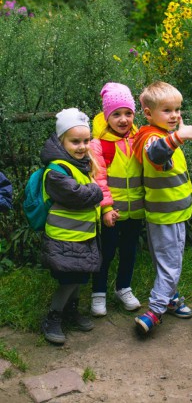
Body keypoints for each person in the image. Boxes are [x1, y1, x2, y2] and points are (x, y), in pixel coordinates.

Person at [132, 81, 192, 334]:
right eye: (167, 110)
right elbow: (156, 155)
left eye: (177, 109)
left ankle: (171, 298)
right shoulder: (151, 138)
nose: (175, 115)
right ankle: (155, 310)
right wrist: (178, 137)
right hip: (167, 216)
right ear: (148, 113)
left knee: (164, 261)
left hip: (170, 213)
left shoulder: (159, 136)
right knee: (171, 263)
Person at [40, 108, 103, 345]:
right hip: (64, 236)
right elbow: (78, 195)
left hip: (81, 234)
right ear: (61, 140)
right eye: (75, 141)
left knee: (78, 275)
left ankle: (71, 310)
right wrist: (97, 191)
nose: (82, 146)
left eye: (86, 141)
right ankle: (53, 317)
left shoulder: (80, 164)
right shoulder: (56, 170)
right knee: (69, 279)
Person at [90, 83, 145, 317]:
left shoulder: (140, 137)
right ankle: (98, 292)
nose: (123, 119)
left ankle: (123, 287)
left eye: (128, 113)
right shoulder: (99, 144)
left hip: (136, 211)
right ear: (106, 116)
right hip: (112, 212)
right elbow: (98, 179)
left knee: (129, 250)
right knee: (107, 252)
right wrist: (106, 209)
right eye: (116, 114)